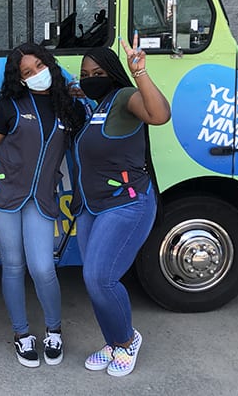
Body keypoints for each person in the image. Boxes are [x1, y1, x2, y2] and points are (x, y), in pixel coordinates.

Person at [71, 37, 170, 377]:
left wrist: (139, 72)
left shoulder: (126, 97)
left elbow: (159, 114)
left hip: (126, 204)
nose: (90, 77)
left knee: (101, 278)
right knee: (93, 280)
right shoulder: (100, 105)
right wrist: (82, 95)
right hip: (92, 207)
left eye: (97, 72)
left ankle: (127, 341)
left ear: (112, 73)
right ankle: (113, 343)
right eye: (85, 73)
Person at [0, 42, 84, 368]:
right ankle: (21, 334)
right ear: (20, 79)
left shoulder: (68, 106)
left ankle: (54, 330)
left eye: (39, 66)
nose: (35, 75)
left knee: (43, 268)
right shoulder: (10, 105)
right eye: (27, 72)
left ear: (50, 65)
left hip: (41, 199)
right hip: (3, 197)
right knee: (13, 266)